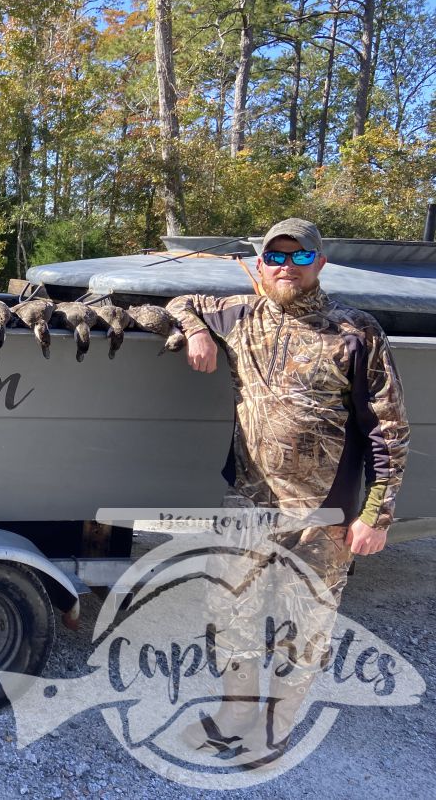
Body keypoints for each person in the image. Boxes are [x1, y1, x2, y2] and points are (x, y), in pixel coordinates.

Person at [165, 218, 409, 763]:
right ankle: (234, 714)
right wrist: (199, 332)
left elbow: (388, 430)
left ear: (319, 264)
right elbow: (182, 301)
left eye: (300, 258)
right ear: (260, 265)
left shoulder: (356, 331)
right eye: (276, 257)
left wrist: (377, 513)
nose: (286, 267)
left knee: (304, 626)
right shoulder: (239, 316)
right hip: (248, 505)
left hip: (325, 513)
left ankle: (273, 731)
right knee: (232, 614)